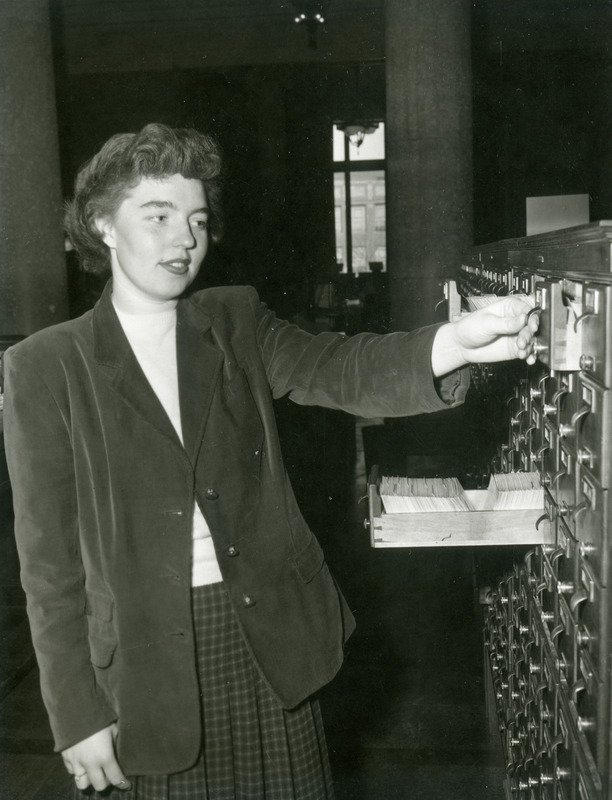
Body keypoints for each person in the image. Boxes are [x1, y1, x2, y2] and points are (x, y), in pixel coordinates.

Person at [3, 123, 537, 800]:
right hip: (145, 664)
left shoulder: (233, 321)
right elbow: (48, 566)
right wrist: (75, 712)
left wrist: (456, 342)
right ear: (104, 225)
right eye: (157, 216)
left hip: (268, 638)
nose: (184, 239)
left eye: (196, 219)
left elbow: (338, 367)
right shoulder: (46, 366)